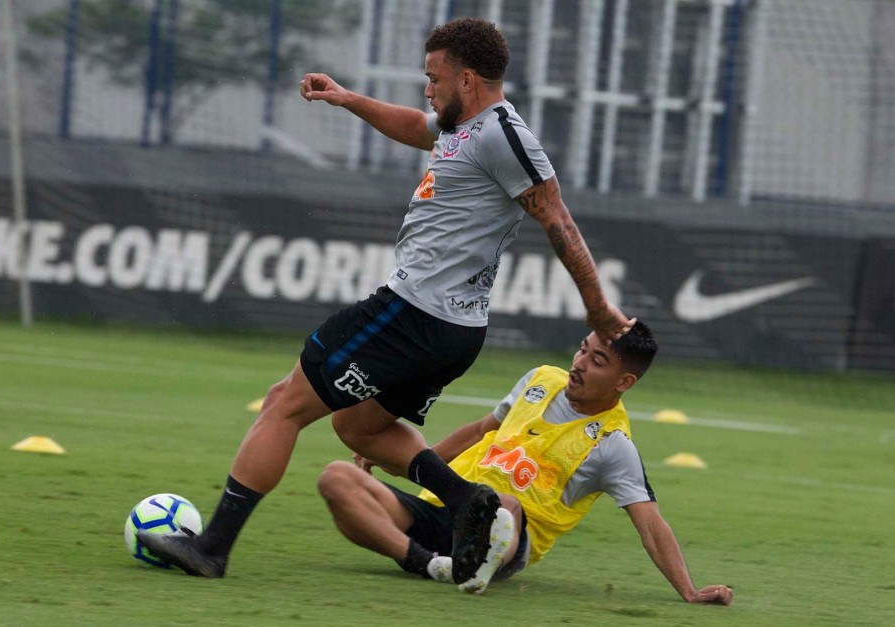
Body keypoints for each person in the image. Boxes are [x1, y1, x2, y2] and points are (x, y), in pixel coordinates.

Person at [138, 17, 634, 583]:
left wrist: (597, 309)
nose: (427, 88)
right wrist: (348, 99)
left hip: (413, 312)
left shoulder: (504, 134)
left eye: (434, 77)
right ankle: (467, 500)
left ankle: (214, 547)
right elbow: (418, 126)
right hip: (449, 328)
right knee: (358, 427)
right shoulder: (464, 124)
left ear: (468, 79)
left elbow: (554, 214)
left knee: (284, 403)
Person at [319, 321, 733, 604]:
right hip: (443, 507)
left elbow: (651, 523)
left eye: (597, 361)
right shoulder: (539, 380)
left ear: (625, 383)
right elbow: (480, 431)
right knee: (336, 478)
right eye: (583, 350)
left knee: (503, 505)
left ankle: (476, 559)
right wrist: (401, 466)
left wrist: (689, 590)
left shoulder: (613, 444)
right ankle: (429, 564)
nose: (579, 363)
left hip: (508, 534)